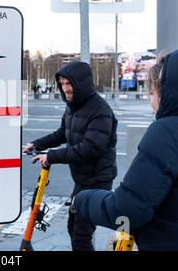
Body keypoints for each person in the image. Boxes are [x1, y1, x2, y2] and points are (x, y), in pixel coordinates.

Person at [73, 48, 178, 250]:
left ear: (168, 92)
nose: (151, 100)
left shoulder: (166, 132)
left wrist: (82, 199)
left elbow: (127, 210)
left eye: (152, 92)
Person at [23, 61, 118, 251]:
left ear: (81, 83)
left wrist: (51, 156)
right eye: (63, 84)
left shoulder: (101, 111)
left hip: (98, 180)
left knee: (81, 235)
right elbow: (62, 133)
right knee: (72, 227)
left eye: (69, 84)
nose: (65, 88)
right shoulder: (73, 107)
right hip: (82, 180)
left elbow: (90, 148)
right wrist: (38, 144)